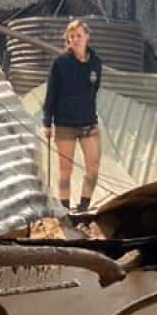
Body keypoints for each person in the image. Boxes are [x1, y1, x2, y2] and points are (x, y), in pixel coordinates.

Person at [42, 18, 102, 212]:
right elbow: (51, 94)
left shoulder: (96, 63)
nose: (76, 39)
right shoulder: (60, 64)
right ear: (67, 39)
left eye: (79, 35)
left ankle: (84, 204)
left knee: (93, 167)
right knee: (65, 170)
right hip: (65, 125)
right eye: (72, 36)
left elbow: (94, 90)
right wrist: (47, 122)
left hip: (89, 125)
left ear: (87, 37)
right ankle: (64, 208)